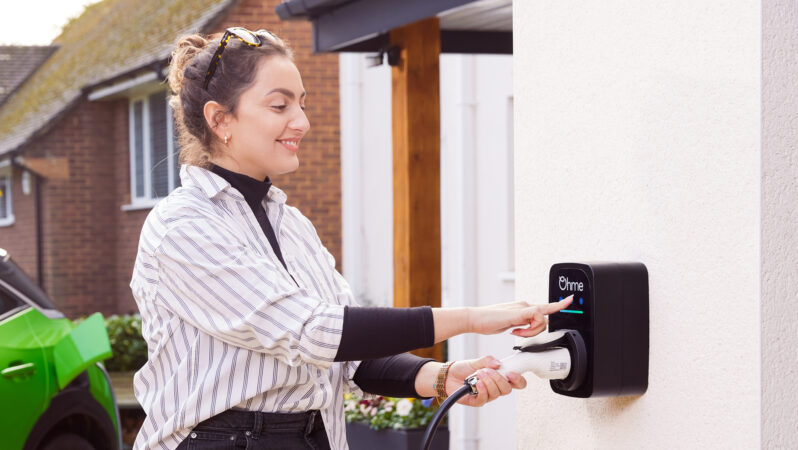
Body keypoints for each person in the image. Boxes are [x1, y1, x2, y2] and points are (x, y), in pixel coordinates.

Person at [129, 27, 572, 450]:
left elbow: (352, 357)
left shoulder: (292, 225)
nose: (301, 121)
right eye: (279, 106)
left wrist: (442, 375)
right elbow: (312, 333)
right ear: (220, 119)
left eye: (301, 104)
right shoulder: (182, 227)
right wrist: (474, 317)